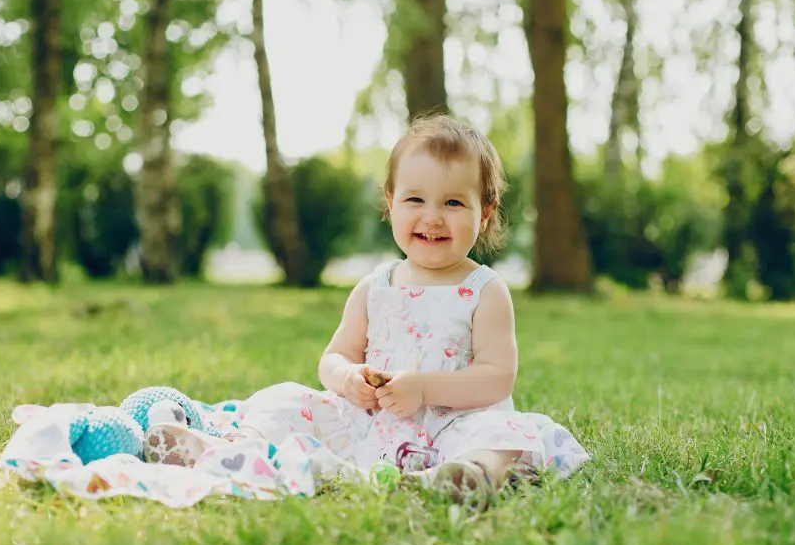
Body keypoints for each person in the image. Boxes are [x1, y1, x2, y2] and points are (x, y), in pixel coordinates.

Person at [231, 114, 590, 507]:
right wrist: (349, 378)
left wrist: (423, 388)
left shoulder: (483, 291)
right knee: (282, 399)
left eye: (453, 202)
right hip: (370, 425)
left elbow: (496, 378)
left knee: (506, 434)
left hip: (453, 425)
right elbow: (334, 357)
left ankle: (463, 476)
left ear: (484, 213)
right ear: (390, 202)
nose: (433, 217)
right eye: (415, 199)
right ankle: (239, 452)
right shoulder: (375, 287)